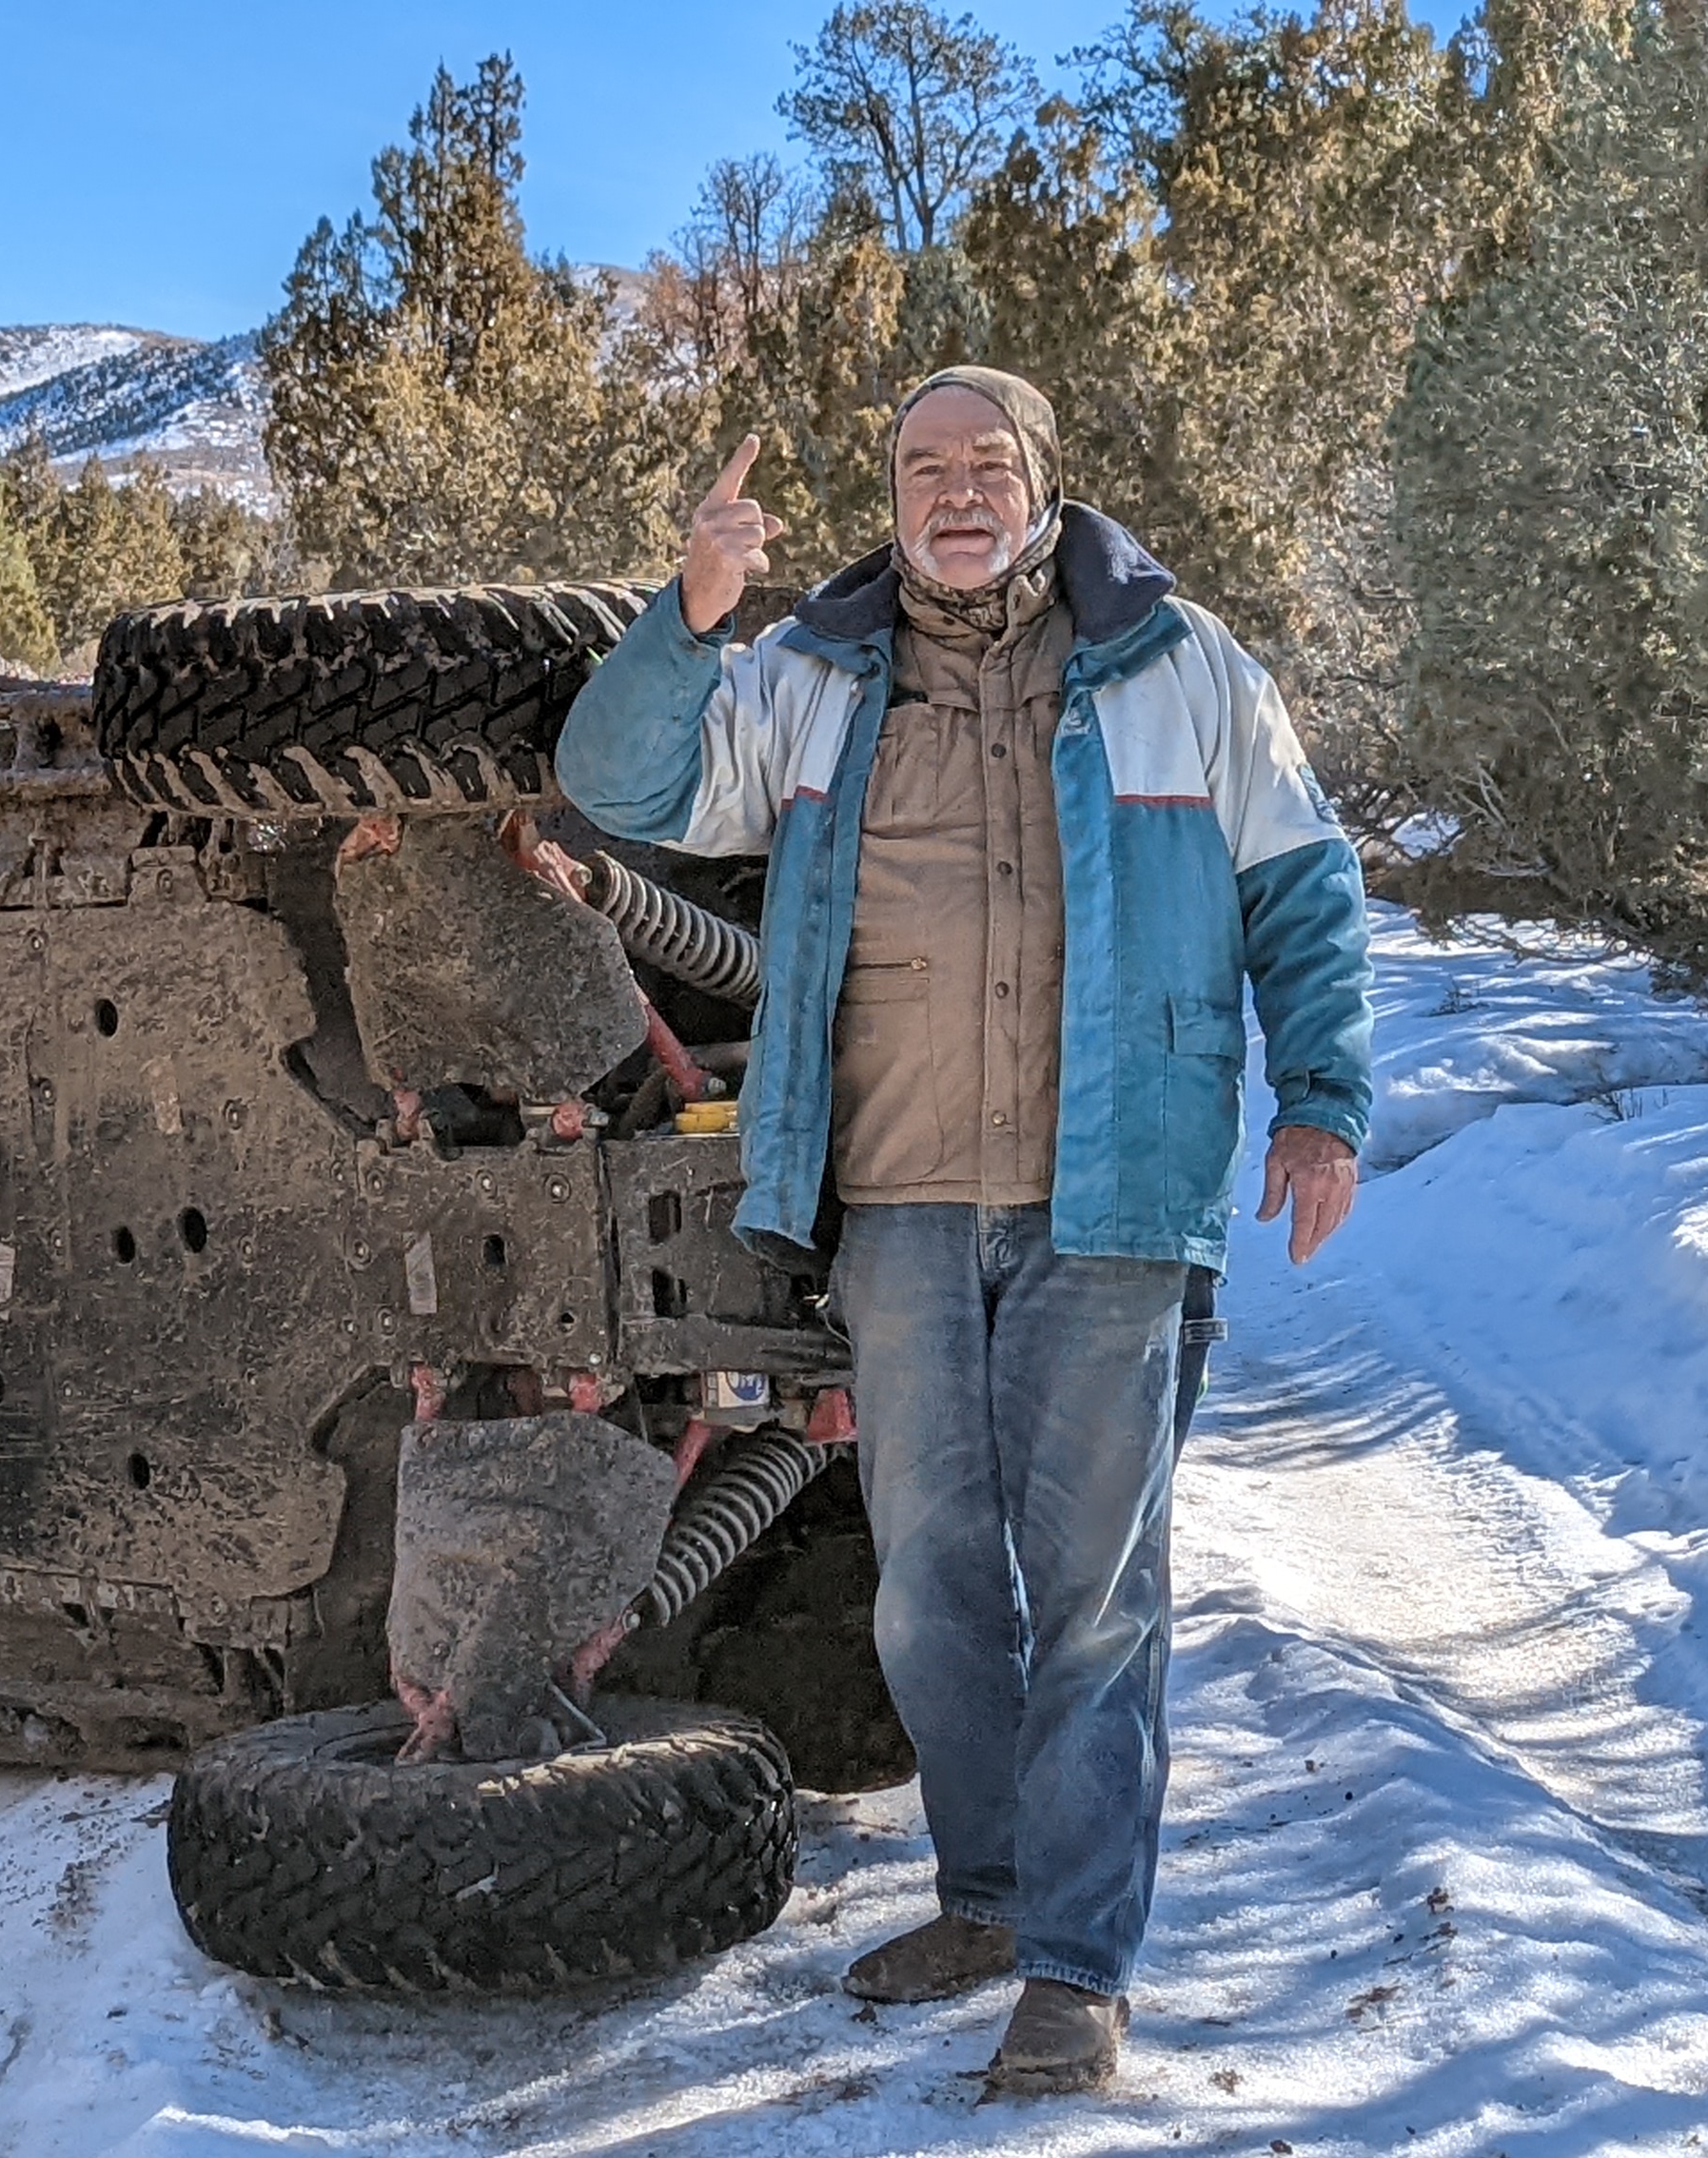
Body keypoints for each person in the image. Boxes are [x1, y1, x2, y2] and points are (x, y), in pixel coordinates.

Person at [555, 368, 1375, 2096]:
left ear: (1045, 484)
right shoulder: (814, 676)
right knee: (930, 1595)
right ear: (892, 496)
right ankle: (988, 1898)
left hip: (1116, 1200)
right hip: (903, 1202)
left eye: (988, 463)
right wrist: (691, 613)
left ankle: (1077, 1965)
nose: (956, 492)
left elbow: (1304, 886)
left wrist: (1322, 1097)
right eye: (924, 466)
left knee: (1094, 1601)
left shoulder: (1181, 667)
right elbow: (622, 786)